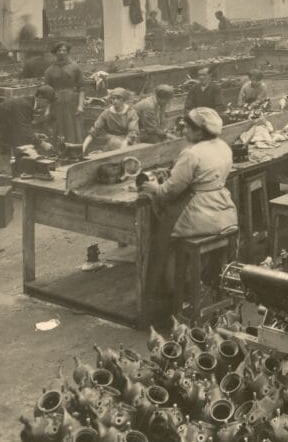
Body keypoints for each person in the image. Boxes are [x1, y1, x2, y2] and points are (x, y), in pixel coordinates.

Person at [139, 107, 237, 321]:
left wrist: (154, 187)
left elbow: (169, 191)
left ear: (199, 132)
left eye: (187, 128)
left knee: (162, 234)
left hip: (200, 214)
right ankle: (200, 281)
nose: (183, 132)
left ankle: (166, 293)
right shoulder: (223, 146)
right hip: (223, 209)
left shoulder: (191, 153)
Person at [0, 86, 55, 190]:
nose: (47, 105)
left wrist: (36, 135)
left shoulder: (28, 104)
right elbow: (23, 131)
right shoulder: (25, 105)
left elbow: (20, 128)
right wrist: (42, 144)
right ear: (40, 98)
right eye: (47, 102)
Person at [44, 41, 85, 143]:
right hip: (56, 102)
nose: (62, 52)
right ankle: (59, 152)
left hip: (71, 101)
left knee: (73, 125)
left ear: (68, 52)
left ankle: (75, 151)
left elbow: (82, 88)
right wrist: (47, 109)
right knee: (58, 126)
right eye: (59, 50)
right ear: (55, 52)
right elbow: (48, 92)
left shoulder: (75, 67)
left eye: (64, 50)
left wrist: (80, 105)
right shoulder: (49, 70)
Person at [83, 88, 139, 153]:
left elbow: (133, 132)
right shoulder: (107, 113)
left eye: (118, 98)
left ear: (124, 100)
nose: (115, 101)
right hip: (112, 141)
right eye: (113, 98)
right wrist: (84, 146)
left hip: (128, 141)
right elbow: (95, 130)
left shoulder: (131, 113)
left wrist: (124, 145)